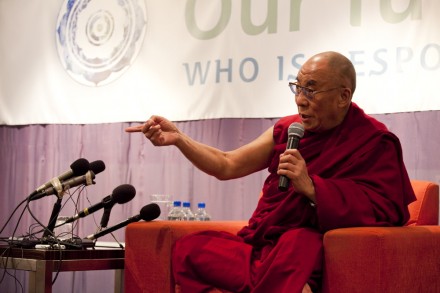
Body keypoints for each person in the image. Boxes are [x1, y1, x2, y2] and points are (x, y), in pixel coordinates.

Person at [125, 51, 416, 293]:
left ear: (343, 96)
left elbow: (385, 208)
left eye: (311, 90)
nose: (300, 99)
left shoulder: (373, 141)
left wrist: (313, 187)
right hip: (260, 248)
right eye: (297, 87)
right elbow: (227, 164)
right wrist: (179, 139)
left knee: (299, 244)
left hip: (301, 245)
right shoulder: (288, 129)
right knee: (190, 248)